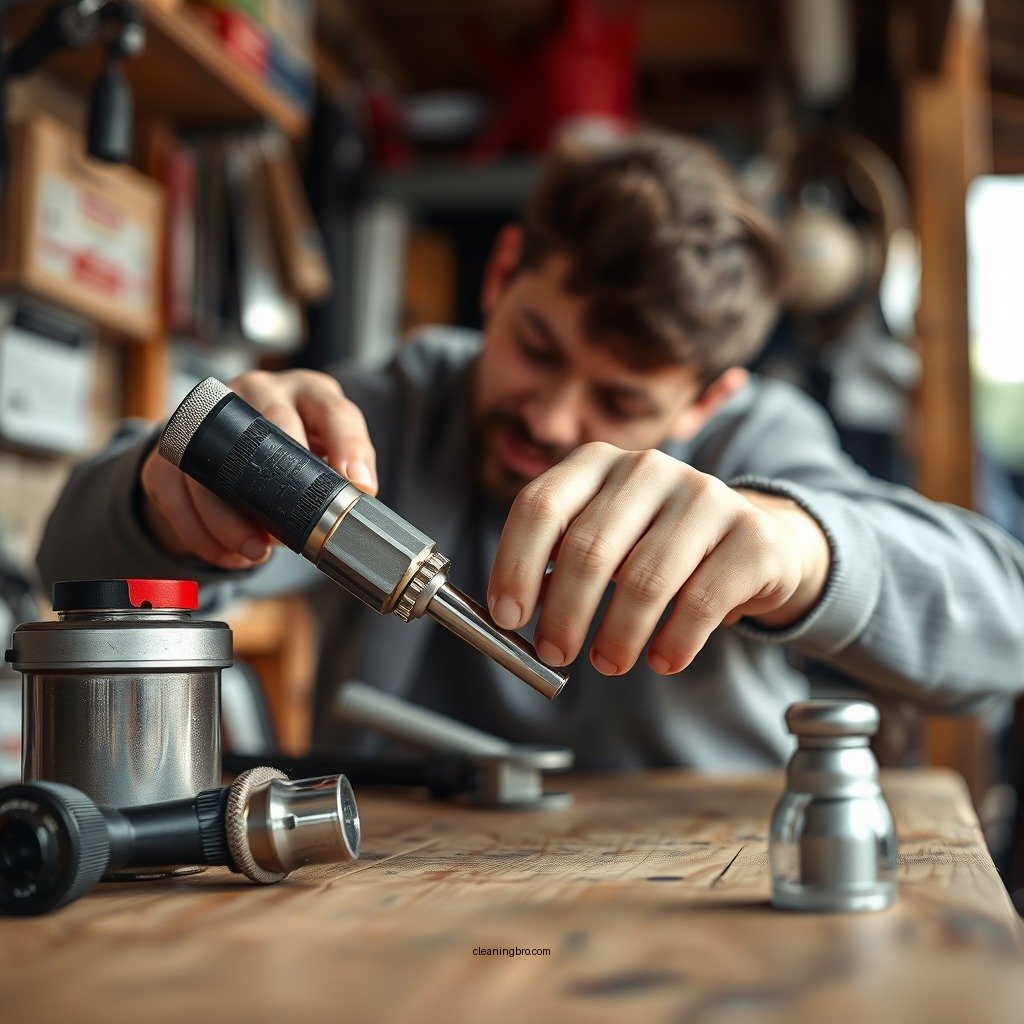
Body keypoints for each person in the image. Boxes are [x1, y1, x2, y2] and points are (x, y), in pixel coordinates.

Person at [36, 131, 1024, 769]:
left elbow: (1003, 631)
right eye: (538, 346)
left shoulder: (755, 440)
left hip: (692, 905)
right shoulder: (405, 403)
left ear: (707, 399)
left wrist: (801, 547)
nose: (551, 416)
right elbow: (64, 556)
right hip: (392, 901)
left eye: (621, 398)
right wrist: (164, 493)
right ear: (502, 273)